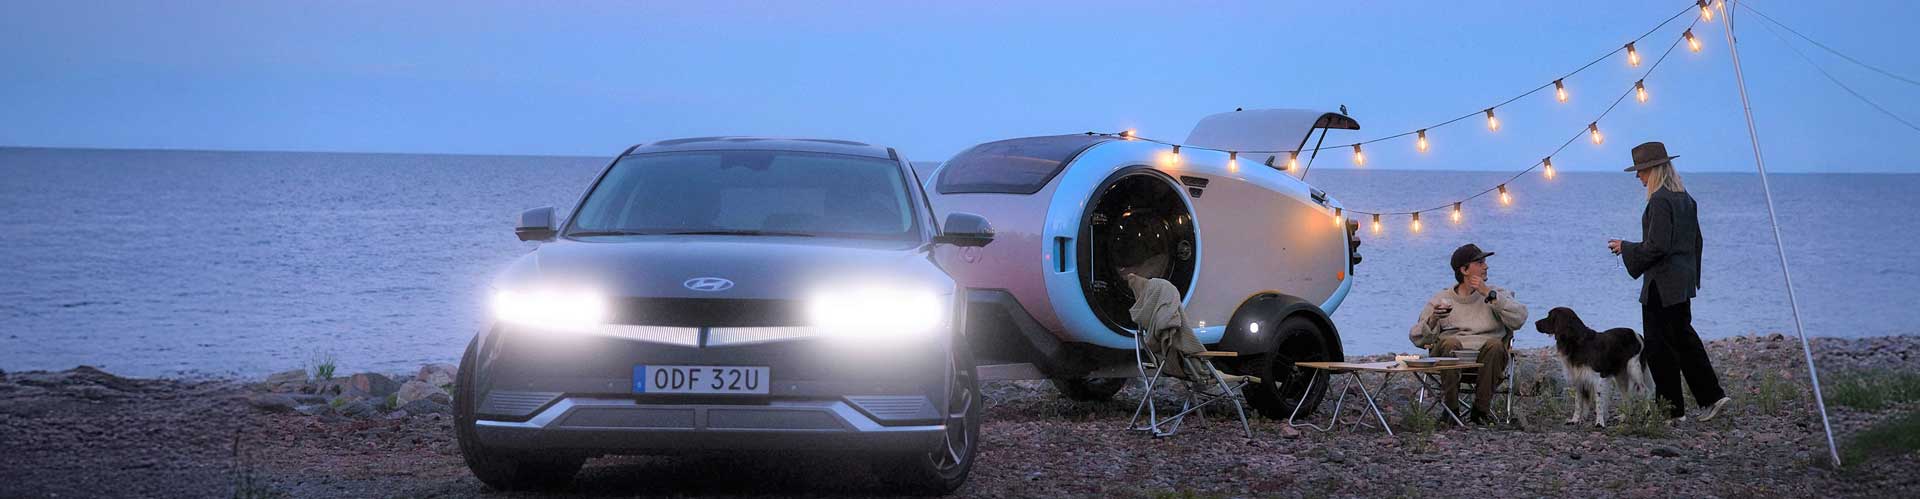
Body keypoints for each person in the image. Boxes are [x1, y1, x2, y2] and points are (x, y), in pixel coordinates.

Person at [1608, 142, 1732, 422]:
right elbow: (1695, 242)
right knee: (1685, 342)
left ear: (1653, 170)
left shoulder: (1660, 200)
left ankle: (1671, 411)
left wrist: (1625, 247)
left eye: (1640, 171)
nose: (1638, 178)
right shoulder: (1685, 198)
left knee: (1660, 348)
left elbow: (1658, 247)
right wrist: (1691, 277)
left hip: (1661, 287)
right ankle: (1712, 396)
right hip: (1680, 284)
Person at [1409, 243, 1528, 423]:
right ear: (1464, 270)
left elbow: (1520, 318)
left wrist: (1489, 294)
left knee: (1495, 345)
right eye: (1479, 263)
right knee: (1449, 343)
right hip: (1452, 357)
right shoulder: (1442, 299)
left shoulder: (1497, 294)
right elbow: (1416, 337)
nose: (1486, 266)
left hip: (1487, 359)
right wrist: (1433, 319)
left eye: (1484, 262)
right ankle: (1451, 410)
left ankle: (1480, 412)